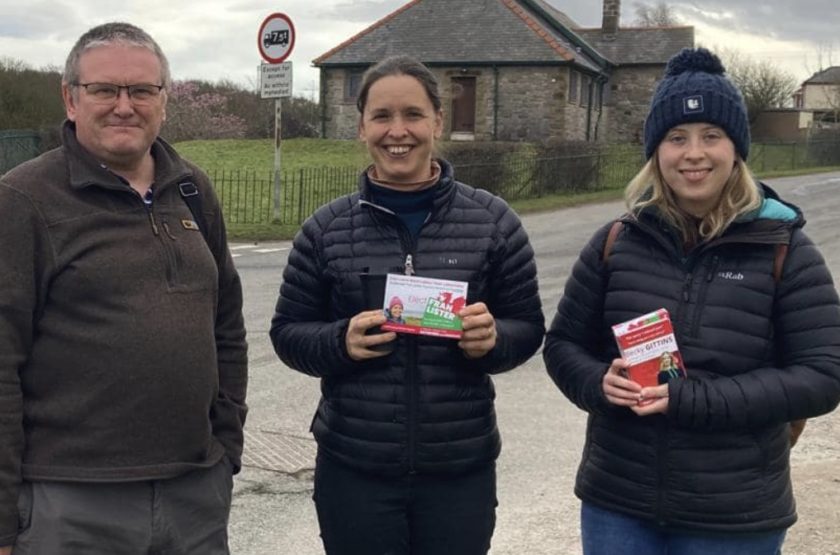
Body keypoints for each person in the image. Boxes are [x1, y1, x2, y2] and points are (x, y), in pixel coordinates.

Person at [543, 47, 840, 555]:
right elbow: (564, 345)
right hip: (619, 503)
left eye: (711, 136)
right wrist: (598, 381)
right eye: (676, 138)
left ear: (736, 148)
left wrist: (692, 400)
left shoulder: (786, 248)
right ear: (656, 152)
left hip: (735, 515)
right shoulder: (615, 241)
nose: (693, 153)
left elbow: (823, 376)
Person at [270, 55, 544, 555]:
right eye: (382, 116)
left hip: (459, 469)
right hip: (355, 468)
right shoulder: (326, 229)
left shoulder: (492, 221)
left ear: (437, 121)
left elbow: (528, 327)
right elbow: (288, 334)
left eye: (413, 115)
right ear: (362, 127)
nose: (398, 131)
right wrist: (340, 341)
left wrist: (494, 340)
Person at [0, 22, 247, 555]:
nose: (124, 105)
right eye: (104, 90)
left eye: (141, 90)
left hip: (194, 496)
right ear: (70, 98)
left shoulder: (192, 190)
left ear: (163, 100)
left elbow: (226, 325)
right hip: (69, 506)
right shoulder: (22, 201)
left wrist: (227, 448)